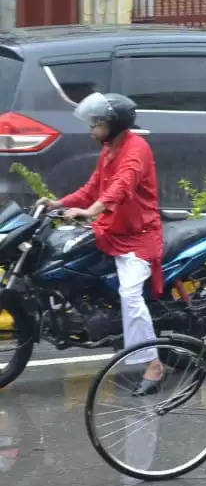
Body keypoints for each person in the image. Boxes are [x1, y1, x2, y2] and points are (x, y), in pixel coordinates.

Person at [39, 92, 164, 396]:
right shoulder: (109, 149)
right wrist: (58, 203)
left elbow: (121, 187)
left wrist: (91, 211)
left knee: (130, 295)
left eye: (96, 124)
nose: (92, 130)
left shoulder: (135, 150)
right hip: (110, 229)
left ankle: (153, 364)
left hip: (138, 236)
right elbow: (93, 187)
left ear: (114, 124)